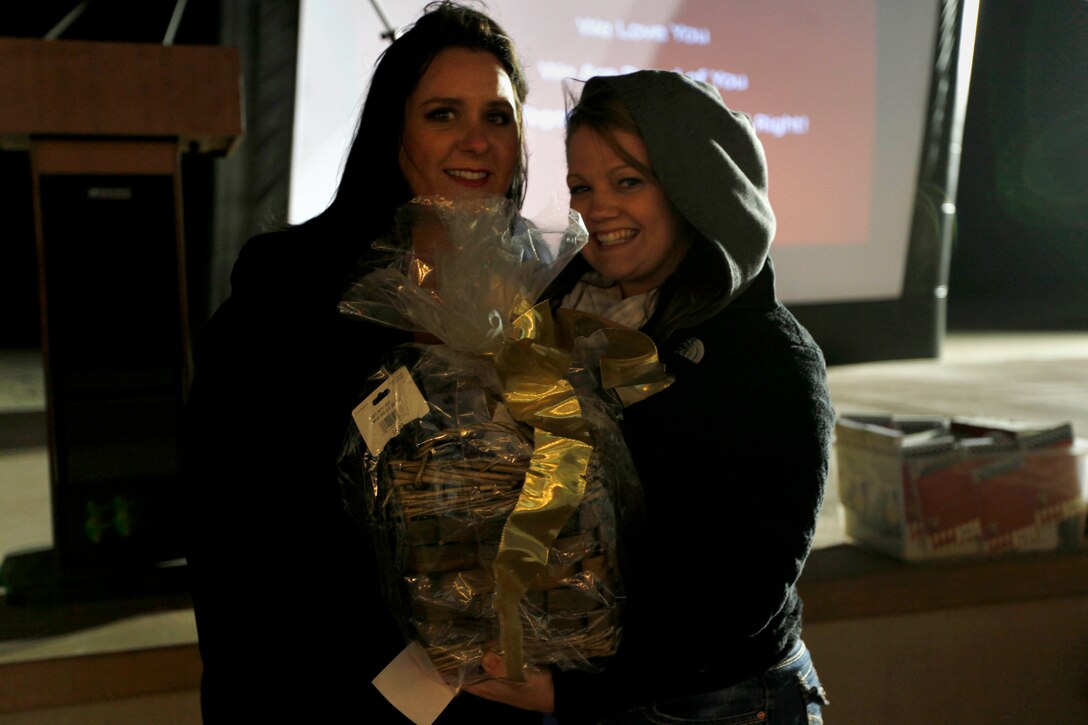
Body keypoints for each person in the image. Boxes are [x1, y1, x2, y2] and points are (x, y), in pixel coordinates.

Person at [180, 3, 541, 722]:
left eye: (497, 117)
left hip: (495, 695)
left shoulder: (543, 289)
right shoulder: (292, 283)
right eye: (444, 113)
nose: (477, 140)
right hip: (324, 688)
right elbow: (231, 533)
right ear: (394, 132)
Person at [467, 71, 835, 723]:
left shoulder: (768, 361)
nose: (596, 207)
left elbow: (742, 587)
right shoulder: (566, 314)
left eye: (628, 181)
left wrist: (577, 693)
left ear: (697, 187)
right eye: (583, 186)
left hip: (719, 701)